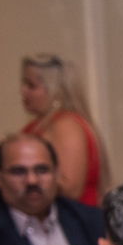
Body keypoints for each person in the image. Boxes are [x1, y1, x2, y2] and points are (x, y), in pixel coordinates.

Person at [20, 54, 110, 206]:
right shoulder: (39, 124)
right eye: (24, 84)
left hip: (74, 223)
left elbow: (70, 189)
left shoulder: (66, 126)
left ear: (54, 90)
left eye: (31, 86)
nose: (23, 91)